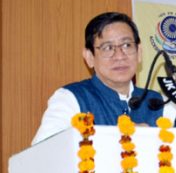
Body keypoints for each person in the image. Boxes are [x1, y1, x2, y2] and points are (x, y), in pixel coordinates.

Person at [32, 12, 167, 145]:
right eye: (107, 48)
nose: (120, 56)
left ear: (139, 53)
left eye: (127, 45)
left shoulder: (158, 102)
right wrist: (120, 138)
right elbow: (43, 155)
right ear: (89, 57)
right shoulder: (71, 98)